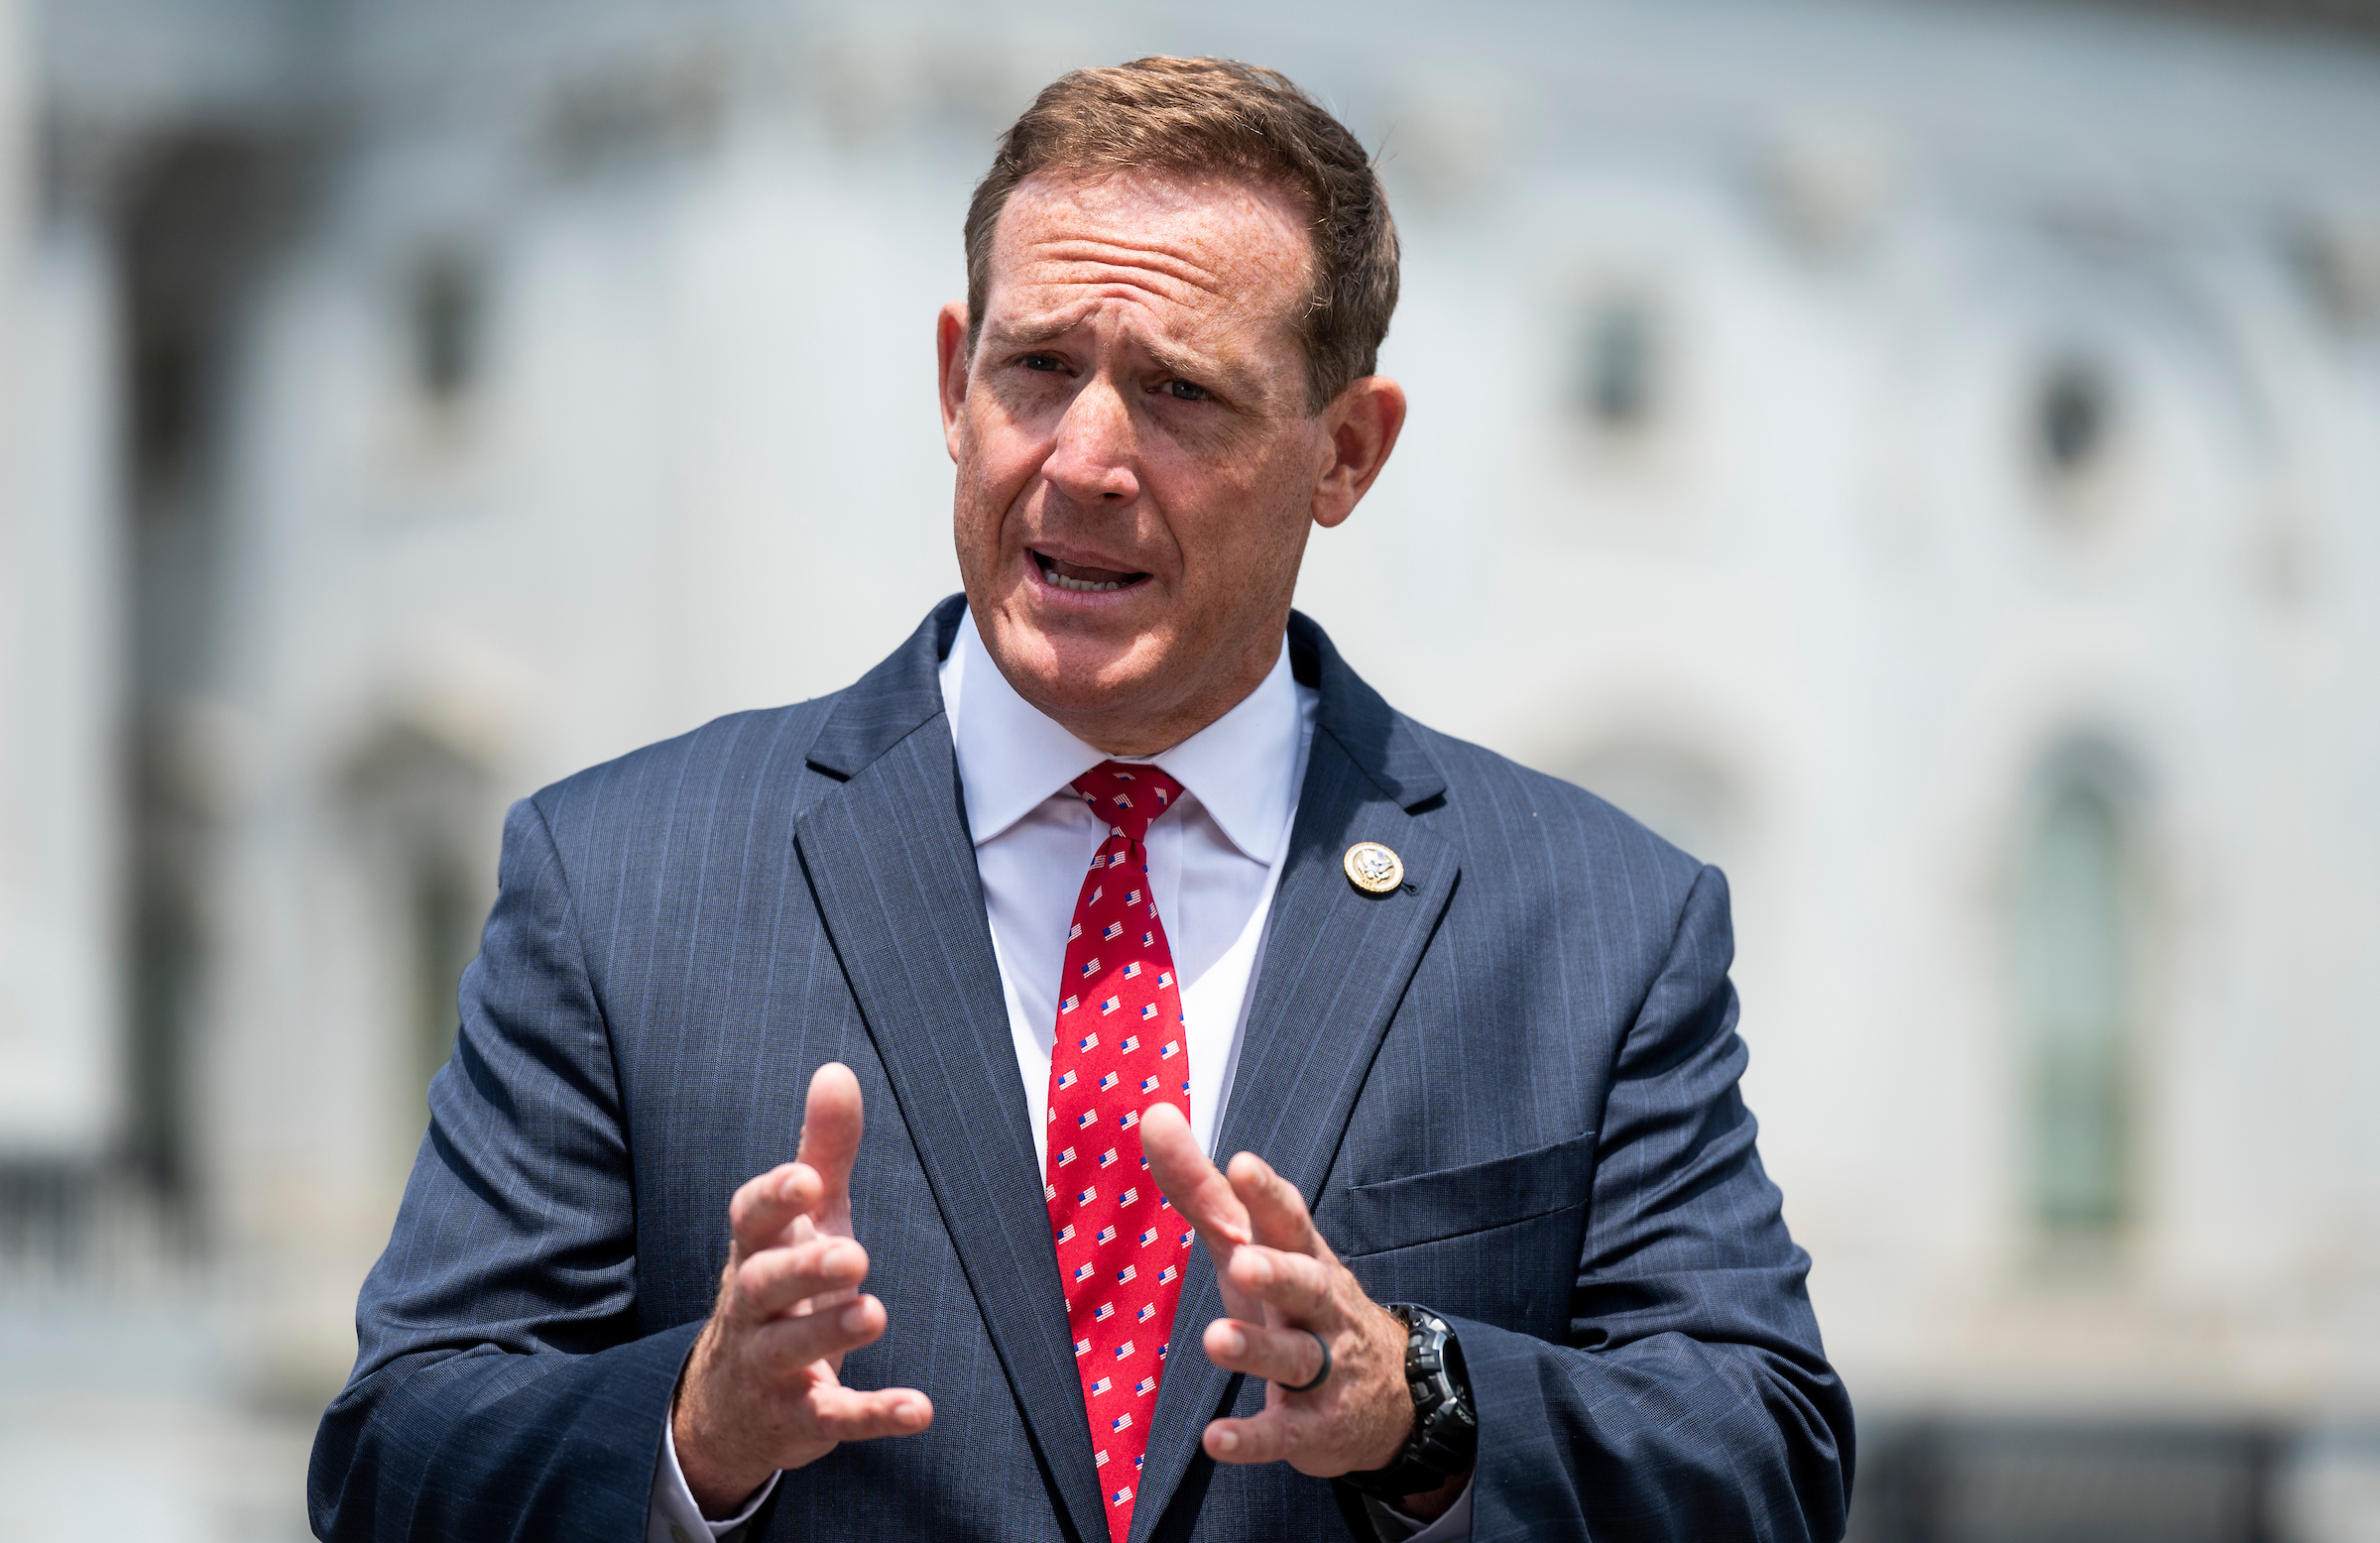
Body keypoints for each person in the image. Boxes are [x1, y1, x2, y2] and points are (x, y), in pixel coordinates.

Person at [308, 57, 1852, 1543]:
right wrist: (694, 1433)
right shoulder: (625, 880)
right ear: (951, 381)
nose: (1086, 462)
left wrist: (1415, 1403)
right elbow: (396, 1459)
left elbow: (1765, 1458)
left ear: (1348, 452)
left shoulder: (1593, 920)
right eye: (1038, 369)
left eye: (1181, 393)